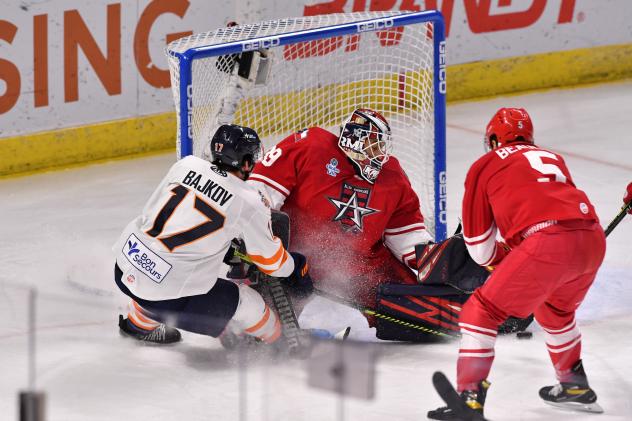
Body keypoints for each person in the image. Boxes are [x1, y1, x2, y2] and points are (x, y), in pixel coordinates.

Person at [428, 108, 605, 419]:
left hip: (548, 243)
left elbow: (480, 249)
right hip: (591, 238)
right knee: (556, 309)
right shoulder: (552, 157)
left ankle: (468, 400)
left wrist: (505, 259)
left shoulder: (485, 164)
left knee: (479, 312)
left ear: (494, 139)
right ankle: (574, 385)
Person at [112, 124, 311, 346]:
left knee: (160, 278)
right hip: (166, 294)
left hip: (124, 267)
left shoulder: (185, 164)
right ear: (246, 161)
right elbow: (271, 262)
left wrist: (222, 246)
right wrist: (294, 265)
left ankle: (138, 324)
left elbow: (152, 213)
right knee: (248, 302)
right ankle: (284, 343)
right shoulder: (249, 199)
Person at [247, 108, 434, 327]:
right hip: (295, 264)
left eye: (381, 146)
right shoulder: (310, 146)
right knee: (263, 327)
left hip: (360, 267)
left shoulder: (391, 176)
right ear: (355, 141)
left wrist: (437, 258)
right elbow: (258, 197)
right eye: (375, 145)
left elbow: (407, 235)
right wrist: (259, 246)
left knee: (423, 313)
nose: (380, 153)